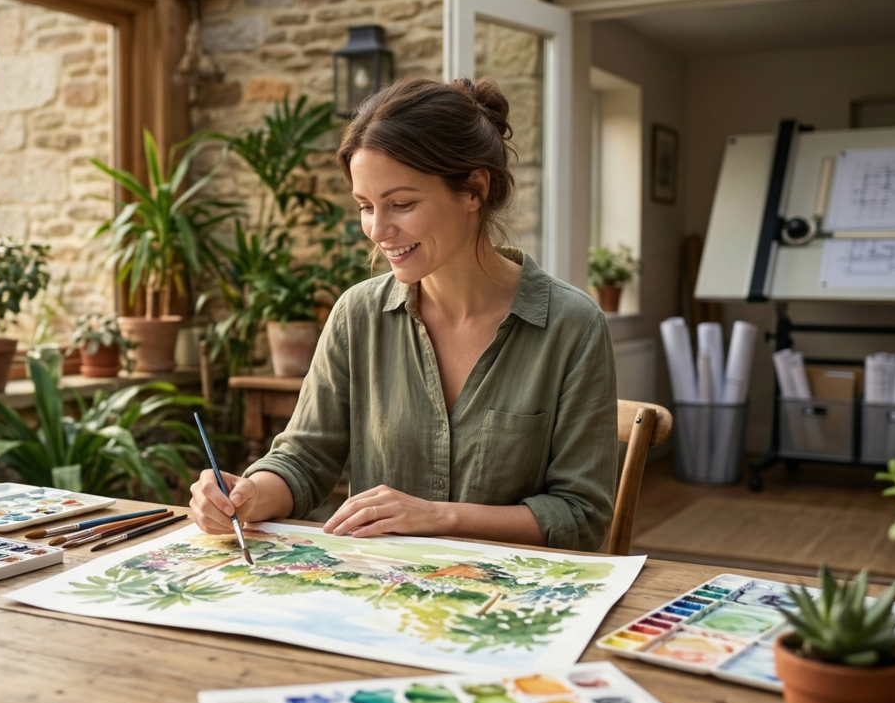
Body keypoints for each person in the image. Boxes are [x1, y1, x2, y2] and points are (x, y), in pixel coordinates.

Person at [190, 76, 618, 551]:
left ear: (474, 189)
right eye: (365, 206)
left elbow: (582, 515)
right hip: (377, 593)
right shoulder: (358, 315)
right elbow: (304, 460)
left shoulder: (571, 326)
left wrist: (439, 517)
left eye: (401, 204)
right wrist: (247, 495)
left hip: (506, 605)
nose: (377, 229)